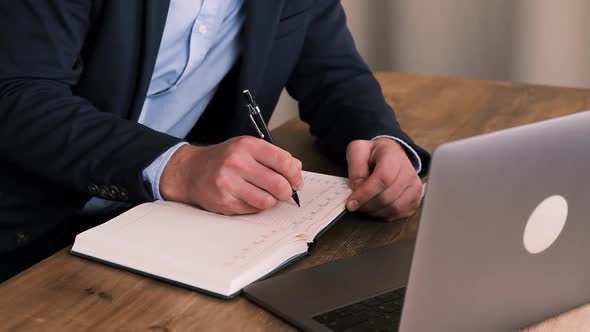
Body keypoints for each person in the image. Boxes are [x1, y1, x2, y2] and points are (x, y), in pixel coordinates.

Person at [0, 0, 430, 281]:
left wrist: (382, 142)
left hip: (176, 232)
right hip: (28, 234)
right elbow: (18, 92)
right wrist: (179, 166)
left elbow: (334, 75)